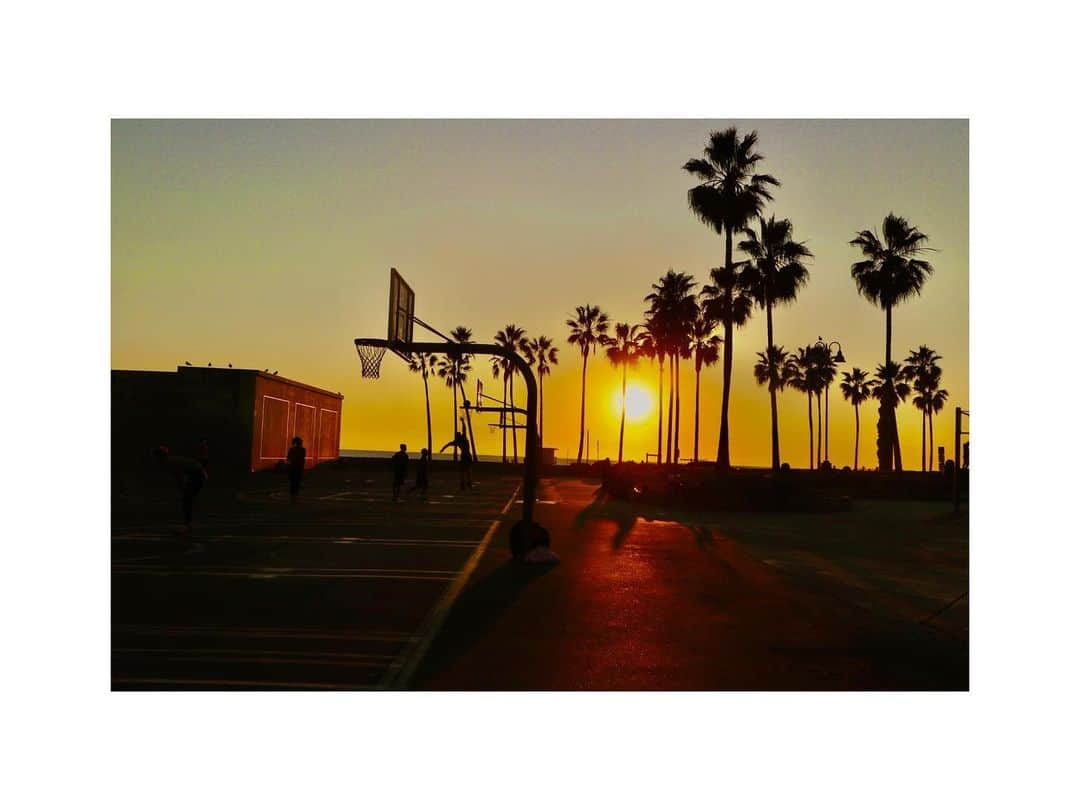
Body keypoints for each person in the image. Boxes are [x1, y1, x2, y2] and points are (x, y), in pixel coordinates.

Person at [152, 445, 208, 536]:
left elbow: (178, 476)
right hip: (196, 474)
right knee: (187, 500)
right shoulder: (170, 461)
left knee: (186, 500)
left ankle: (188, 526)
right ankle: (189, 524)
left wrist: (182, 488)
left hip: (197, 475)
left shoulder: (168, 462)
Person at [286, 436, 306, 503]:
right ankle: (294, 496)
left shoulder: (292, 450)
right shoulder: (302, 450)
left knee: (293, 483)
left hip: (294, 468)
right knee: (296, 482)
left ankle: (293, 496)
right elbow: (302, 459)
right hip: (297, 468)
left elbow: (288, 458)